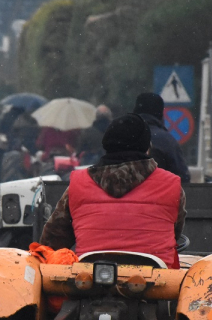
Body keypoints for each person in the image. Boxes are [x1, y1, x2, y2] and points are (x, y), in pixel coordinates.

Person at [40, 114, 186, 269]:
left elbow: (52, 243)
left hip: (89, 285)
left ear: (106, 145)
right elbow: (174, 235)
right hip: (158, 286)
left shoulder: (78, 184)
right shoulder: (172, 186)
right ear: (147, 148)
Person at [133, 92, 191, 185]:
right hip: (158, 197)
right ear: (160, 114)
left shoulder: (123, 137)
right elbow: (183, 179)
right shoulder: (167, 141)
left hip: (123, 198)